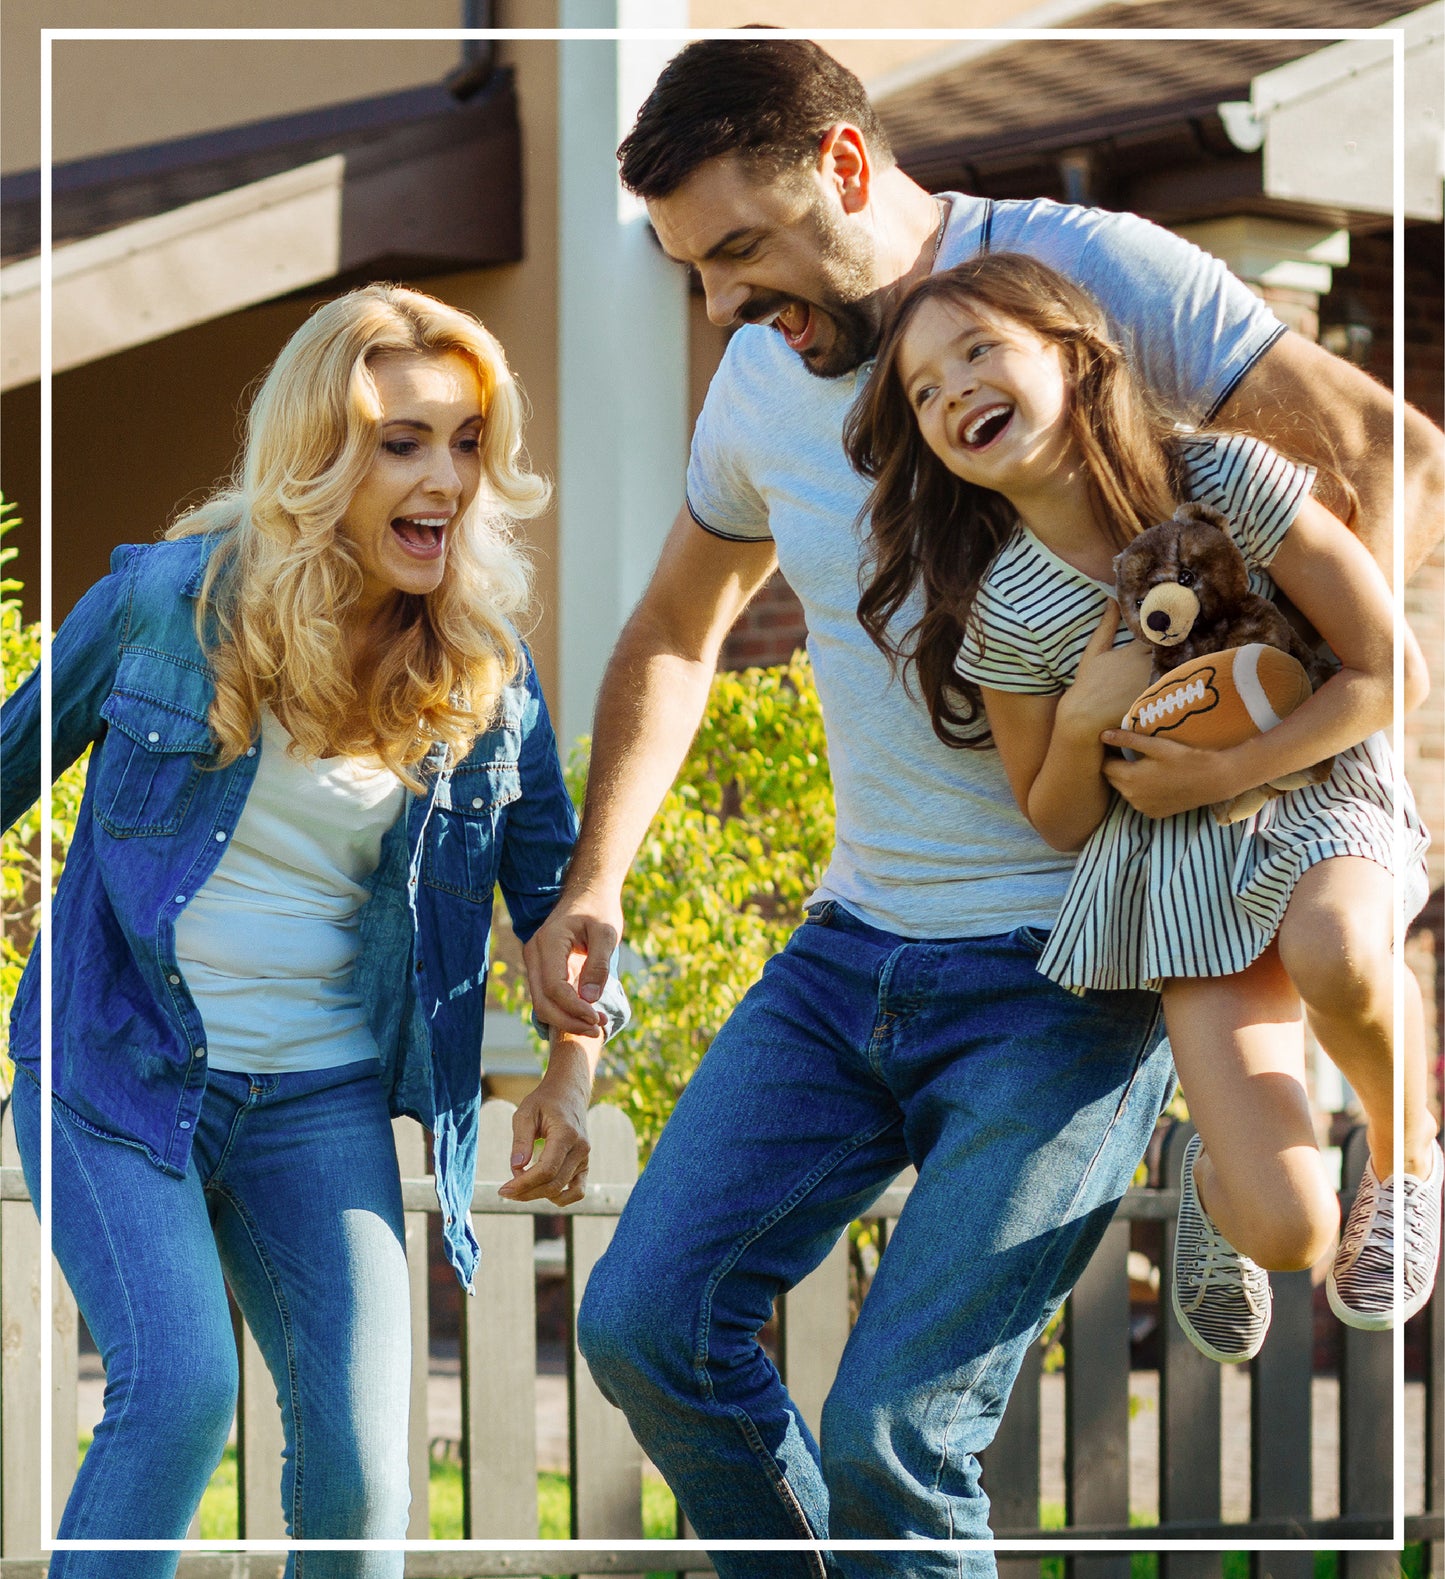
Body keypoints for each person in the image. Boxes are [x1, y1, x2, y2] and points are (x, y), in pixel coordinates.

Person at [520, 37, 1445, 1575]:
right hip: (850, 950)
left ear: (845, 165)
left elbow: (1378, 452)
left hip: (1072, 970)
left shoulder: (1091, 277)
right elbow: (679, 632)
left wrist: (1283, 780)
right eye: (692, 269)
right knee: (641, 1324)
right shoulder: (762, 380)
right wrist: (595, 876)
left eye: (741, 248)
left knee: (896, 1429)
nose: (724, 306)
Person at [0, 283, 627, 1577]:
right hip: (115, 1066)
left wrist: (570, 1071)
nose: (445, 477)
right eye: (403, 441)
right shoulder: (162, 607)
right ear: (320, 457)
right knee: (176, 1397)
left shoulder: (481, 669)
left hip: (317, 1101)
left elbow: (557, 902)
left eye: (464, 440)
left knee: (362, 1469)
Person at [845, 251, 1439, 1366]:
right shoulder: (1010, 611)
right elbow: (1058, 819)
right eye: (922, 390)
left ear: (1072, 356)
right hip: (1175, 874)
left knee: (1334, 944)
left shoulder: (1224, 478)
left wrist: (1228, 769)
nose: (951, 389)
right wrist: (1079, 720)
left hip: (1316, 795)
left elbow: (1386, 673)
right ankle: (1219, 1186)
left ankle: (1408, 1157)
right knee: (1288, 1227)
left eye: (978, 349)